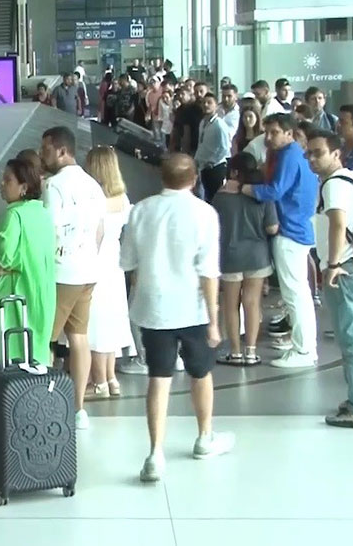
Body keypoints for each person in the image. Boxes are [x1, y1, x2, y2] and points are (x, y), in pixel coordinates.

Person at [121, 154, 234, 483]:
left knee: (159, 378)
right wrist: (214, 320)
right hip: (192, 308)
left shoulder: (141, 211)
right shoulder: (204, 213)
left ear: (161, 176)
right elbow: (208, 271)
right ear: (195, 178)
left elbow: (128, 262)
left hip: (153, 309)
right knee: (201, 373)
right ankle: (204, 436)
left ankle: (155, 453)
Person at [229, 114, 319, 368]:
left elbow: (275, 190)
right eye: (266, 132)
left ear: (289, 133)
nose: (268, 138)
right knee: (297, 292)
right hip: (295, 228)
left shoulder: (289, 156)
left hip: (290, 231)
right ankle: (303, 345)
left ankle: (304, 350)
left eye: (274, 132)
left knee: (295, 294)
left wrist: (246, 189)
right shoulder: (290, 155)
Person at [302, 131, 353, 428]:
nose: (311, 158)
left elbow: (338, 224)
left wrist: (332, 264)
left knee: (350, 342)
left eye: (318, 152)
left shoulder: (334, 185)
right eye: (309, 152)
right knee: (351, 338)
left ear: (336, 154)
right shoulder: (348, 179)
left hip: (345, 268)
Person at [40, 126, 106, 430]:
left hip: (60, 271)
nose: (43, 156)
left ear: (62, 151)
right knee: (79, 337)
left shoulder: (53, 186)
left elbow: (48, 230)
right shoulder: (94, 185)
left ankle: (44, 403)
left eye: (46, 150)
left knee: (46, 339)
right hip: (88, 269)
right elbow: (99, 231)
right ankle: (79, 409)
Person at [0, 158, 56, 366]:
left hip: (11, 300)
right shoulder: (42, 213)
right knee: (33, 353)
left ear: (23, 187)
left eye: (8, 180)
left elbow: (2, 257)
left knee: (3, 355)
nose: (2, 184)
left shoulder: (14, 216)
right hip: (39, 295)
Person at [212, 153, 278, 366]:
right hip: (257, 256)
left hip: (230, 256)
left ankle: (235, 351)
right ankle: (251, 351)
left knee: (230, 305)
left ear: (233, 172)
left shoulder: (221, 197)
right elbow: (272, 227)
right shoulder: (262, 195)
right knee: (252, 302)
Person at [84, 147, 134, 398]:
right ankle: (112, 378)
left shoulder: (95, 202)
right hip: (115, 264)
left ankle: (99, 382)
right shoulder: (122, 199)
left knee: (95, 326)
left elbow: (95, 238)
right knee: (112, 322)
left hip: (96, 265)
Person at [195, 93, 230, 201]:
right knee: (207, 197)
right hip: (203, 165)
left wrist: (212, 161)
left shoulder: (219, 124)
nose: (206, 105)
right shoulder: (202, 122)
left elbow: (225, 147)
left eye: (209, 102)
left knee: (216, 198)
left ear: (216, 105)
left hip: (215, 167)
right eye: (204, 102)